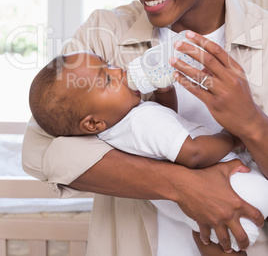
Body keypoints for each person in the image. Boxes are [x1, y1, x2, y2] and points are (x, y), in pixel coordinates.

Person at [22, 0, 268, 256]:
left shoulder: (262, 39)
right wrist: (181, 186)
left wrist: (250, 123)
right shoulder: (104, 35)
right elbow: (41, 150)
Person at [29, 50, 268, 255]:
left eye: (108, 64)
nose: (117, 71)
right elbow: (193, 153)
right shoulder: (138, 122)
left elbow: (167, 128)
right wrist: (234, 137)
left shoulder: (120, 127)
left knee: (211, 239)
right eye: (106, 81)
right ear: (92, 123)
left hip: (211, 212)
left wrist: (163, 93)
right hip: (237, 193)